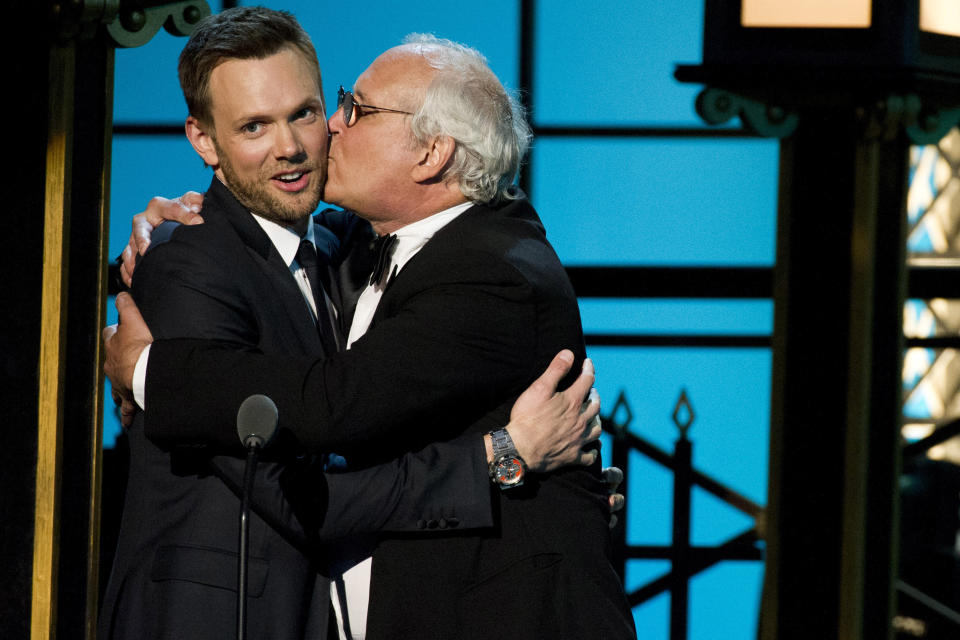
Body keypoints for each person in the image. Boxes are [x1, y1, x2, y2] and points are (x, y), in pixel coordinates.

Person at [105, 24, 637, 640]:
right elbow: (285, 483)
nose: (325, 130)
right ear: (205, 138)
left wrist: (147, 369)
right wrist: (506, 457)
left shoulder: (487, 271)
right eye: (254, 126)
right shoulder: (309, 248)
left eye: (347, 110)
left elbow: (333, 405)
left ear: (431, 153)